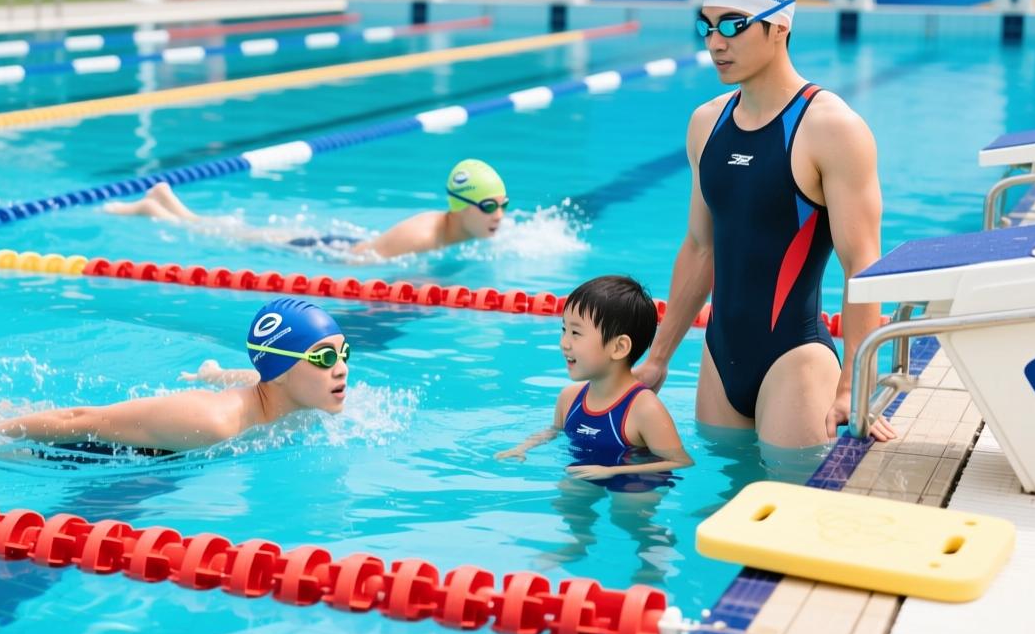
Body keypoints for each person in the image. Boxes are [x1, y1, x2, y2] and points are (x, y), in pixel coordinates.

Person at [631, 0, 895, 448]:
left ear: (778, 27)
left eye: (732, 25)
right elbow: (699, 248)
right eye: (705, 27)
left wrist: (853, 387)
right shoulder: (706, 123)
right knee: (711, 510)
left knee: (792, 511)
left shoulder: (830, 128)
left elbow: (861, 265)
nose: (715, 43)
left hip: (795, 361)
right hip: (719, 357)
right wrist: (659, 358)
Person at [0, 297, 349, 455]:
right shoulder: (211, 422)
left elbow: (259, 375)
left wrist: (215, 374)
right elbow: (79, 419)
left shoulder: (297, 395)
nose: (341, 368)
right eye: (325, 357)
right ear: (281, 371)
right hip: (69, 453)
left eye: (344, 353)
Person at [496, 275, 693, 486]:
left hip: (636, 478)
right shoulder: (569, 398)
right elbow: (554, 431)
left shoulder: (644, 409)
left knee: (628, 513)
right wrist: (522, 447)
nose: (564, 343)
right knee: (568, 503)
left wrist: (612, 471)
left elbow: (680, 461)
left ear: (618, 348)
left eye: (576, 333)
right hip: (587, 470)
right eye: (564, 330)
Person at [104, 158, 509, 260]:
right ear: (462, 206)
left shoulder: (455, 227)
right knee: (233, 235)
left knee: (234, 229)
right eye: (489, 206)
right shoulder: (421, 238)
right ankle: (157, 210)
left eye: (504, 206)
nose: (499, 216)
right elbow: (362, 265)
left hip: (343, 241)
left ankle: (166, 203)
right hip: (326, 249)